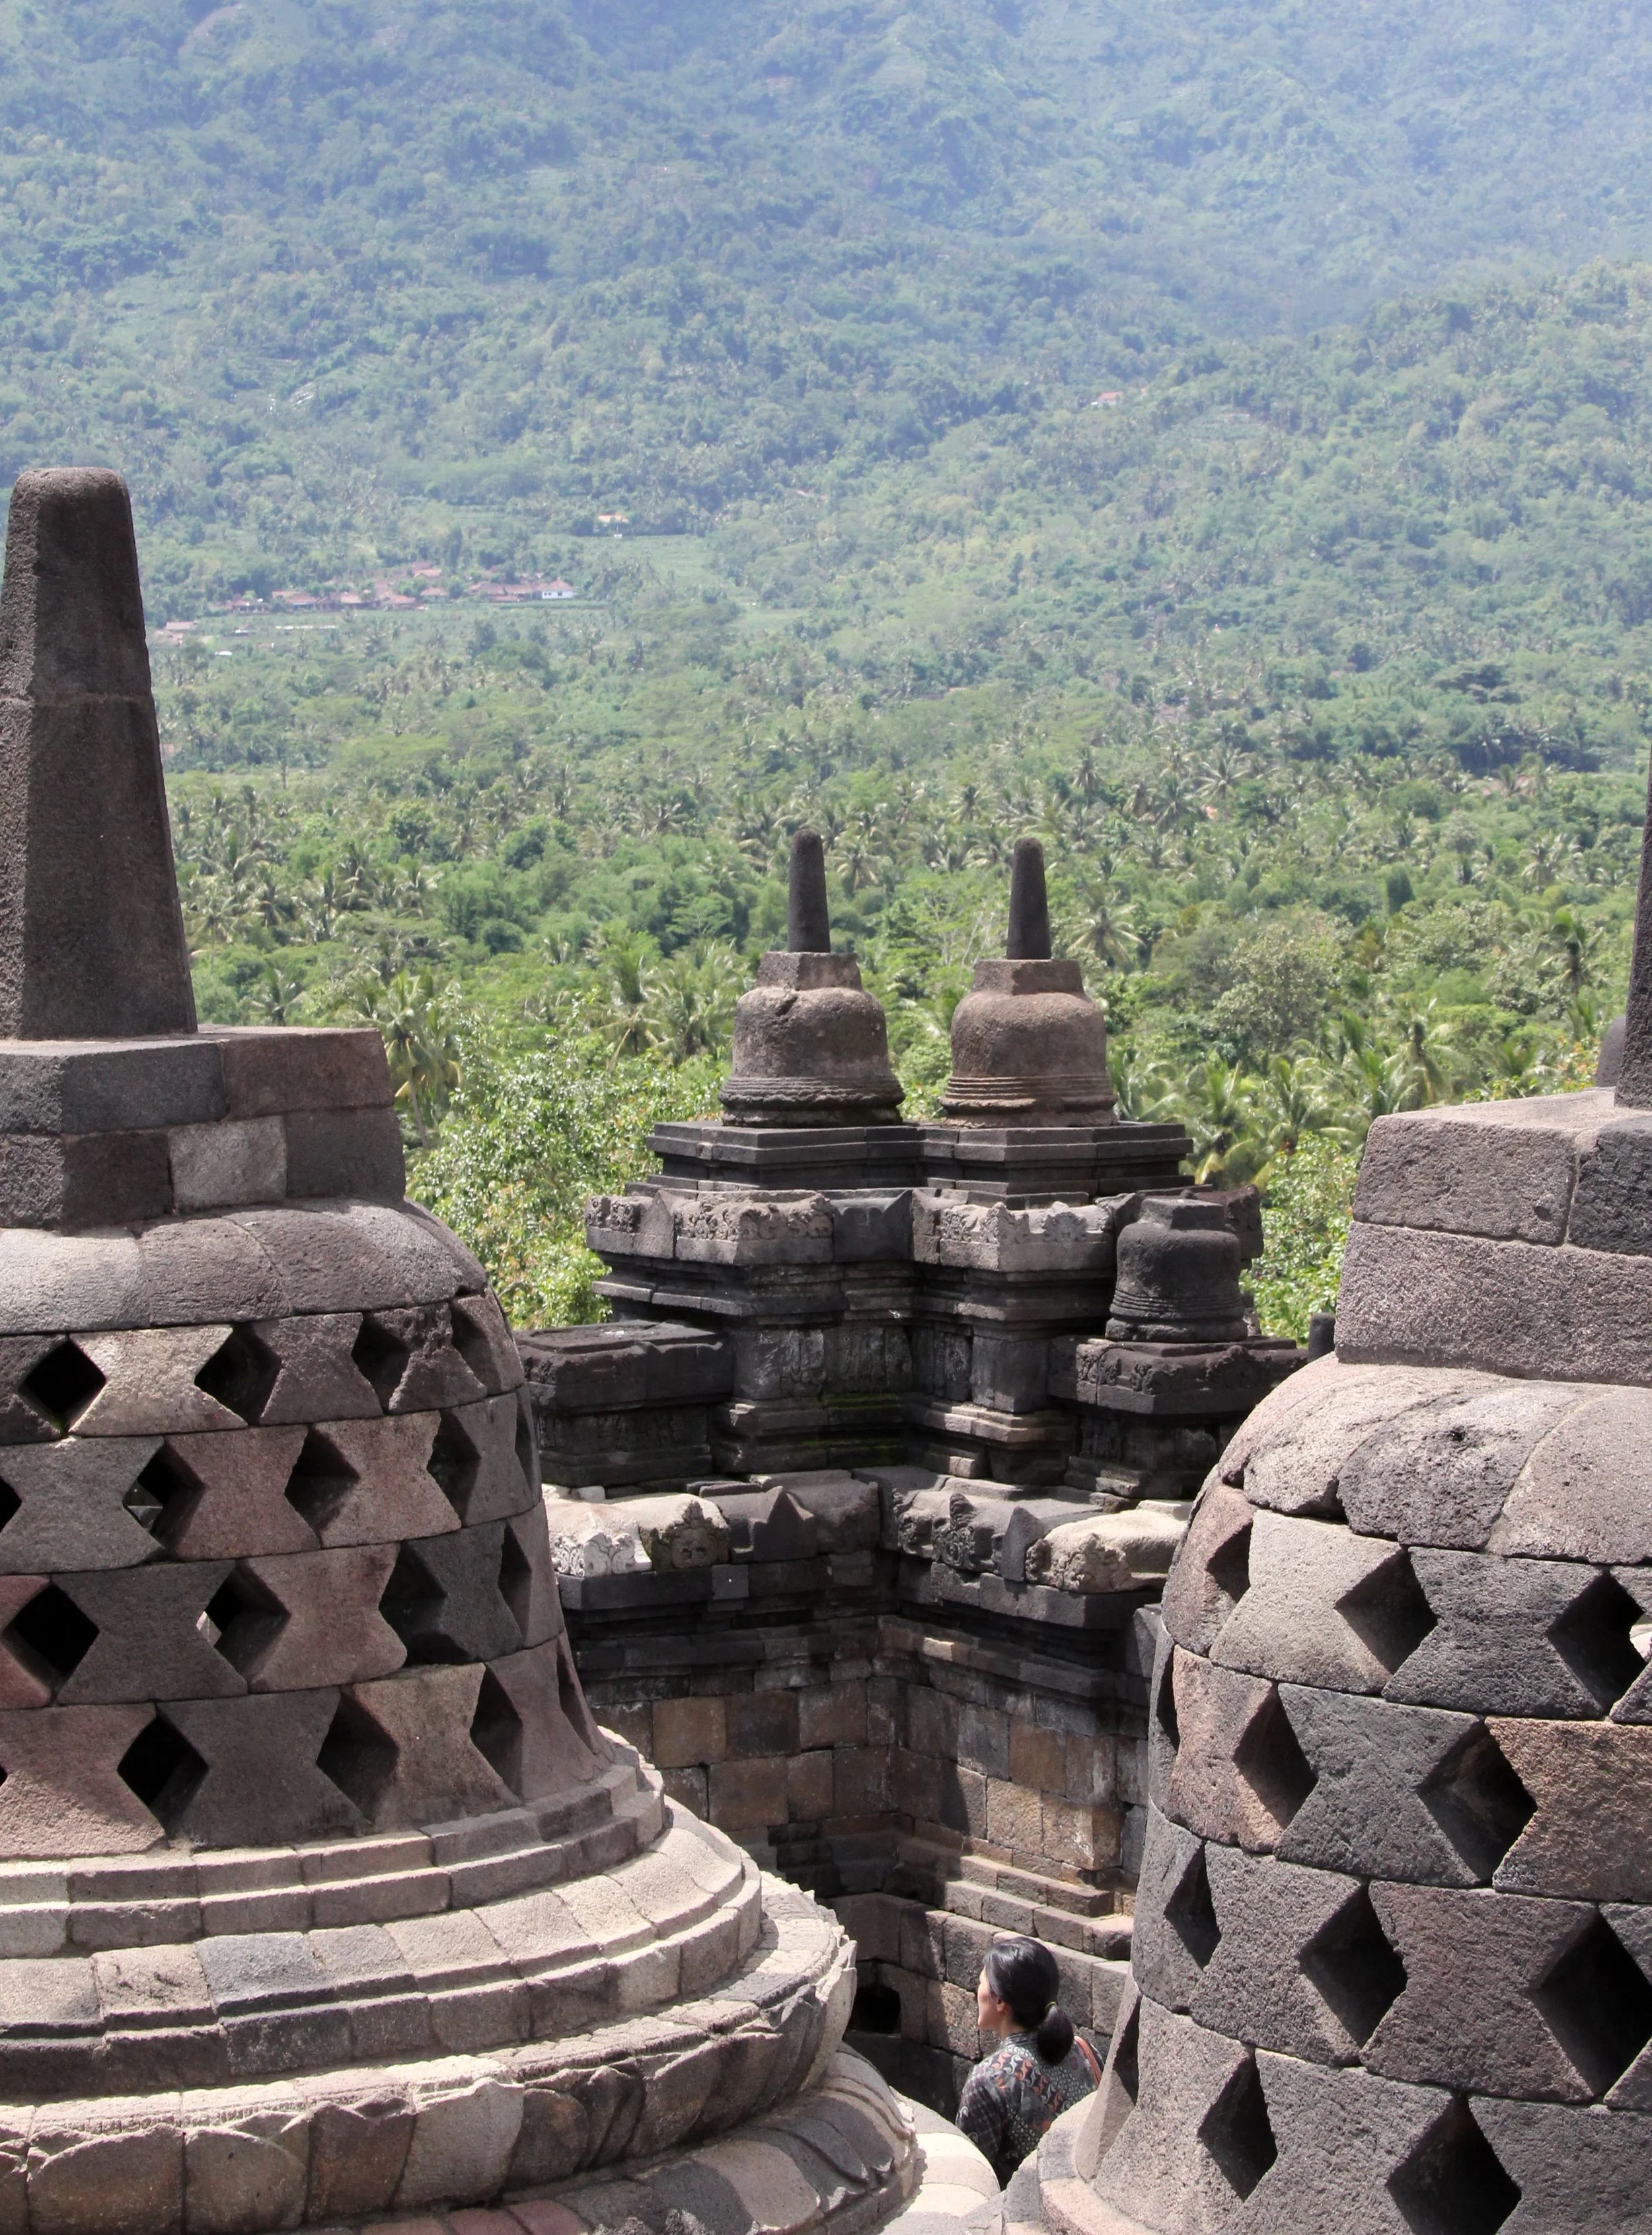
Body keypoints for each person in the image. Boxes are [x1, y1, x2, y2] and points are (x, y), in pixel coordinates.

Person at [955, 1935, 1103, 2186]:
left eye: (981, 1983)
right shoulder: (1084, 2051)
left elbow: (971, 2176)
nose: (976, 1991)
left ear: (1000, 2001)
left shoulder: (988, 2080)